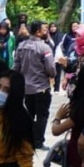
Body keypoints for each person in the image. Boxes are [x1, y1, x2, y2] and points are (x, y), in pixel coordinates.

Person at [14, 21, 55, 150]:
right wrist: (52, 75)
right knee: (42, 115)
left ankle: (29, 140)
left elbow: (16, 67)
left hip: (26, 88)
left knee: (29, 114)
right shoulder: (44, 48)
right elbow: (51, 68)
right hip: (41, 87)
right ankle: (38, 142)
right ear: (38, 32)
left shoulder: (21, 46)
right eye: (44, 30)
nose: (47, 32)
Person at [49, 22, 65, 92]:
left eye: (54, 27)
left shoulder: (61, 35)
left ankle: (56, 89)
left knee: (58, 73)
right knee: (50, 73)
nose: (53, 28)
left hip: (58, 57)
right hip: (49, 57)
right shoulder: (48, 36)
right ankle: (50, 87)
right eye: (51, 27)